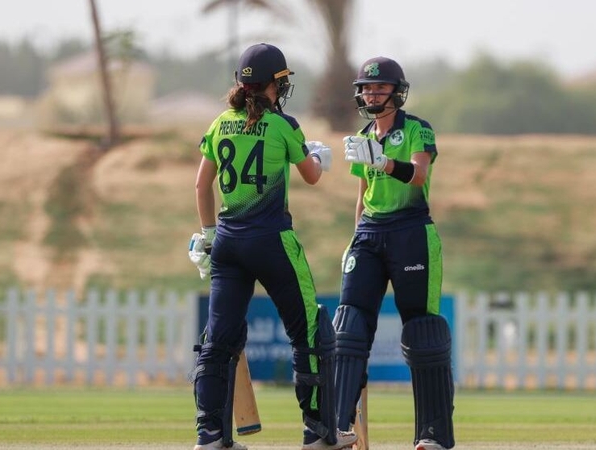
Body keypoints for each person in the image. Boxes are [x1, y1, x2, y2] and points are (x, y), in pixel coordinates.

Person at [187, 43, 357, 450]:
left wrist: (208, 233)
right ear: (271, 85)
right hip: (272, 240)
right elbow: (312, 176)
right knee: (309, 332)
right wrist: (318, 157)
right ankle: (320, 432)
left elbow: (200, 184)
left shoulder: (219, 124)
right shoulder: (284, 125)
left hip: (227, 243)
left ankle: (209, 435)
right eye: (282, 81)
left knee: (218, 341)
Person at [334, 56, 456, 450]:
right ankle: (338, 427)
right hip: (370, 232)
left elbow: (418, 174)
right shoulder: (363, 135)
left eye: (379, 88)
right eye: (367, 88)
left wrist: (383, 161)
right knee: (349, 327)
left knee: (422, 331)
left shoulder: (417, 129)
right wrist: (354, 239)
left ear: (397, 92)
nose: (371, 94)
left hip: (411, 230)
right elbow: (362, 195)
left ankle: (432, 433)